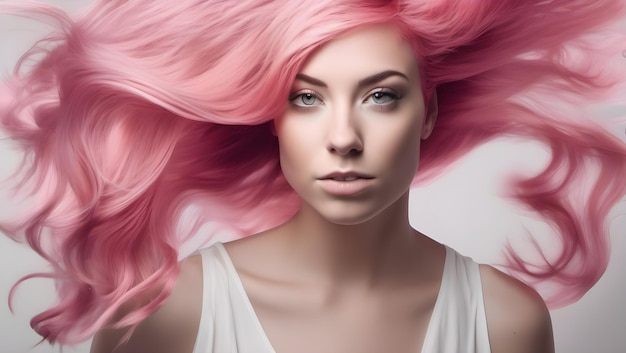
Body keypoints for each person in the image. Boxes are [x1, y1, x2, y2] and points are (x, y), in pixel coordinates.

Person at [1, 0, 625, 352]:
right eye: (306, 99)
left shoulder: (506, 324)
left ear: (429, 112)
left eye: (381, 97)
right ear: (271, 117)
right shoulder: (166, 316)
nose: (344, 138)